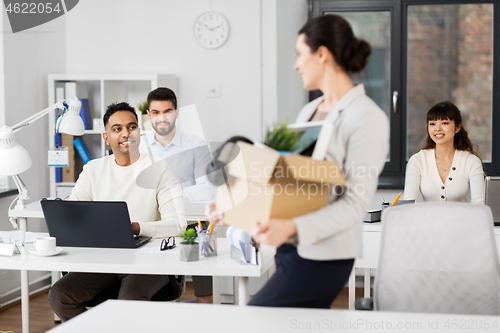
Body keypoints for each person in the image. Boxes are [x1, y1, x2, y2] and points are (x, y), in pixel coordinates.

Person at [207, 14, 389, 308]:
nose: (296, 64)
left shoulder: (367, 117)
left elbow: (354, 205)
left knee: (257, 317)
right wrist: (230, 205)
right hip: (290, 249)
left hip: (325, 256)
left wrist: (293, 227)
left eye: (299, 54)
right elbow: (287, 182)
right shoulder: (311, 111)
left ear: (321, 54)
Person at [48, 102, 186, 321]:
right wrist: (63, 218)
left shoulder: (160, 169)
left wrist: (136, 227)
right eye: (117, 128)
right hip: (103, 260)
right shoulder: (93, 169)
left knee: (129, 300)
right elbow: (74, 212)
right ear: (106, 137)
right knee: (59, 295)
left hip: (147, 263)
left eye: (132, 127)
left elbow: (178, 224)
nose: (126, 133)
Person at [139, 87, 214, 303]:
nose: (161, 118)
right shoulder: (139, 146)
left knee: (201, 232)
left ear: (177, 113)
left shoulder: (195, 145)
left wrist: (168, 193)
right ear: (149, 115)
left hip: (189, 217)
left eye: (167, 111)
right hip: (151, 216)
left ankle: (205, 303)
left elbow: (207, 189)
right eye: (155, 112)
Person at [404, 101, 484, 204]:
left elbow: (479, 204)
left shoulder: (472, 161)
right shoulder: (417, 160)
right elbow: (409, 203)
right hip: (426, 220)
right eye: (432, 124)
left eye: (444, 123)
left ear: (457, 127)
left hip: (461, 220)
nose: (437, 129)